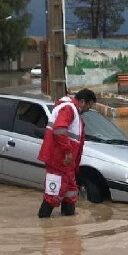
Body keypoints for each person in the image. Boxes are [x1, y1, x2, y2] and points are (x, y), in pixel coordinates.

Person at [37, 88, 96, 218]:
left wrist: (73, 163)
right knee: (52, 194)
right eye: (89, 105)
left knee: (70, 193)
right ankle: (44, 225)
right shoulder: (69, 109)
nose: (89, 109)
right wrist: (68, 152)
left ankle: (69, 227)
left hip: (66, 163)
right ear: (82, 102)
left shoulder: (74, 112)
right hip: (59, 160)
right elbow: (59, 129)